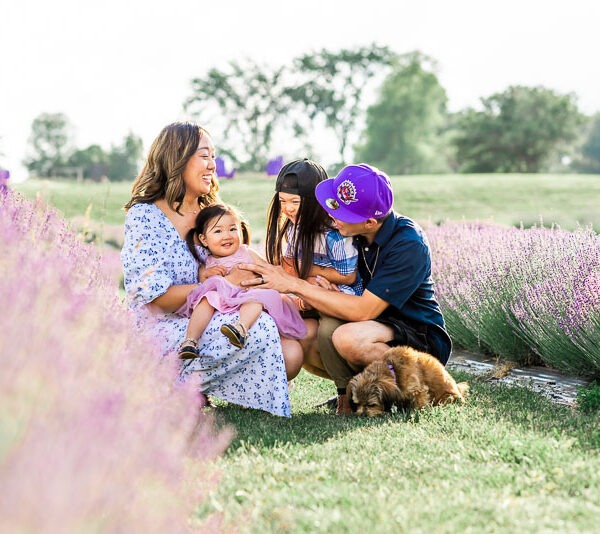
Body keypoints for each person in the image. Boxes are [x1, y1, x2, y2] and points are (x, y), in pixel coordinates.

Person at [240, 163, 452, 415]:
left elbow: (363, 310)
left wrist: (296, 285)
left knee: (347, 339)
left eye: (341, 212)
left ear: (370, 222)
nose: (331, 215)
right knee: (304, 334)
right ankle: (354, 394)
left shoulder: (407, 244)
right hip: (375, 323)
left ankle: (416, 391)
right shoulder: (355, 233)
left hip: (415, 333)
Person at [120, 121, 299, 417]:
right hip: (161, 326)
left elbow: (243, 259)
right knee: (261, 328)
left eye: (214, 157)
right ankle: (167, 383)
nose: (213, 165)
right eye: (205, 156)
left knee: (291, 353)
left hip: (214, 314)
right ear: (177, 158)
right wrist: (223, 285)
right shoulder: (145, 216)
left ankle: (195, 388)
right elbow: (156, 299)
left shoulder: (210, 212)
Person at [264, 159, 363, 378]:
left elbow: (347, 276)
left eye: (295, 202)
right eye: (283, 201)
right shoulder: (293, 228)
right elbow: (290, 267)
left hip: (341, 293)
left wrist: (307, 272)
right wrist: (303, 278)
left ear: (313, 202)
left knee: (323, 324)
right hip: (310, 288)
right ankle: (273, 372)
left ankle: (346, 387)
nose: (288, 208)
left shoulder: (333, 233)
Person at [177, 203, 306, 358]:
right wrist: (208, 275)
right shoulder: (207, 262)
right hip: (223, 301)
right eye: (218, 231)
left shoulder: (246, 252)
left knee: (256, 298)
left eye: (233, 229)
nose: (227, 235)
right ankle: (190, 341)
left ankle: (240, 328)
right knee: (206, 299)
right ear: (203, 239)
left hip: (248, 296)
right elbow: (202, 284)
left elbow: (267, 270)